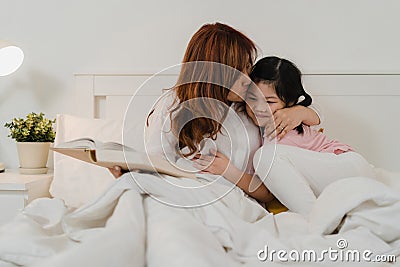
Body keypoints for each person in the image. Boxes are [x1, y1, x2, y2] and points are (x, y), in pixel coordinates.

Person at [110, 23, 321, 205]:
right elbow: (155, 161)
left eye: (249, 69)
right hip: (181, 190)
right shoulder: (173, 104)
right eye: (240, 72)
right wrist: (132, 173)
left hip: (230, 197)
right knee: (132, 194)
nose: (248, 80)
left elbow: (310, 125)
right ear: (216, 73)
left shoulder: (251, 107)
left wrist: (300, 111)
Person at [246, 56, 377, 215]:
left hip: (347, 167)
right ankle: (319, 217)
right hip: (344, 172)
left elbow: (268, 190)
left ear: (289, 103)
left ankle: (315, 218)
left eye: (270, 102)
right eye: (252, 98)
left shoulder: (283, 125)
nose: (258, 108)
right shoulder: (270, 123)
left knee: (265, 157)